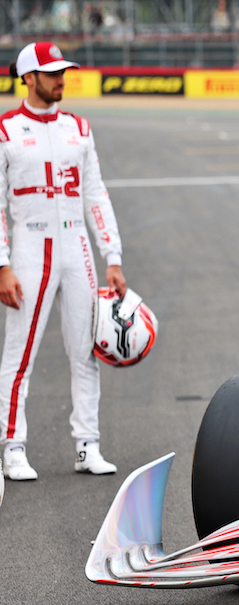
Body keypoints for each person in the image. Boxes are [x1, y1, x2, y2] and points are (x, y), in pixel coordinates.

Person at [0, 42, 126, 480]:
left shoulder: (79, 128)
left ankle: (87, 444)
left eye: (64, 71)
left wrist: (113, 255)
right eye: (52, 73)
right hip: (29, 249)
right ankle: (13, 445)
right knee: (19, 353)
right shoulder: (7, 130)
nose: (61, 79)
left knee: (85, 351)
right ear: (28, 77)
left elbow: (96, 193)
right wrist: (2, 265)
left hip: (78, 250)